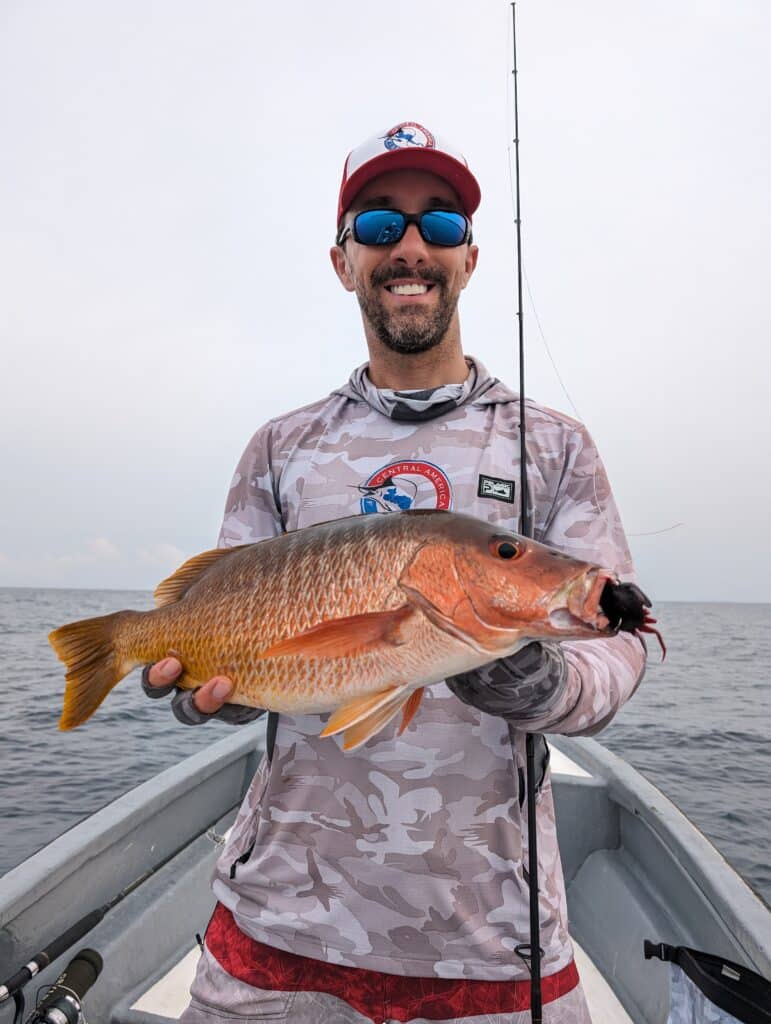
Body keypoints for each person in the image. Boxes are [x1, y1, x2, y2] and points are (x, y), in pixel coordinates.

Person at [144, 121, 646, 1024]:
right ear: (342, 261)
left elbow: (617, 656)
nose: (409, 247)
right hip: (277, 918)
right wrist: (219, 683)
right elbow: (226, 626)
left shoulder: (555, 446)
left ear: (469, 258)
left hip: (495, 933)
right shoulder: (279, 446)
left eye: (438, 224)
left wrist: (530, 676)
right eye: (378, 225)